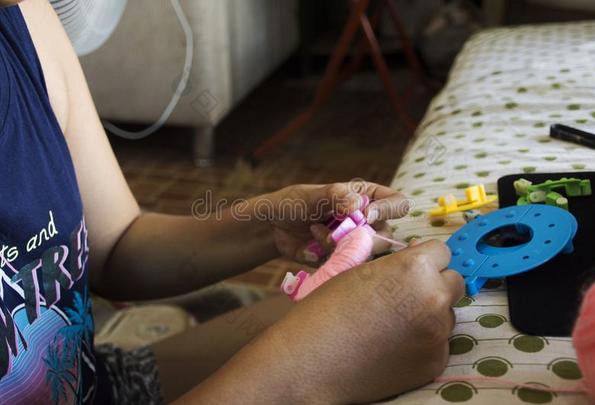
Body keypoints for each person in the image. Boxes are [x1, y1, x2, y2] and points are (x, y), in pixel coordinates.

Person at [0, 0, 465, 403]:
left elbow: (117, 244)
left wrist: (268, 222)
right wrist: (300, 375)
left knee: (412, 316)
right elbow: (302, 371)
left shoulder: (27, 26)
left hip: (98, 384)